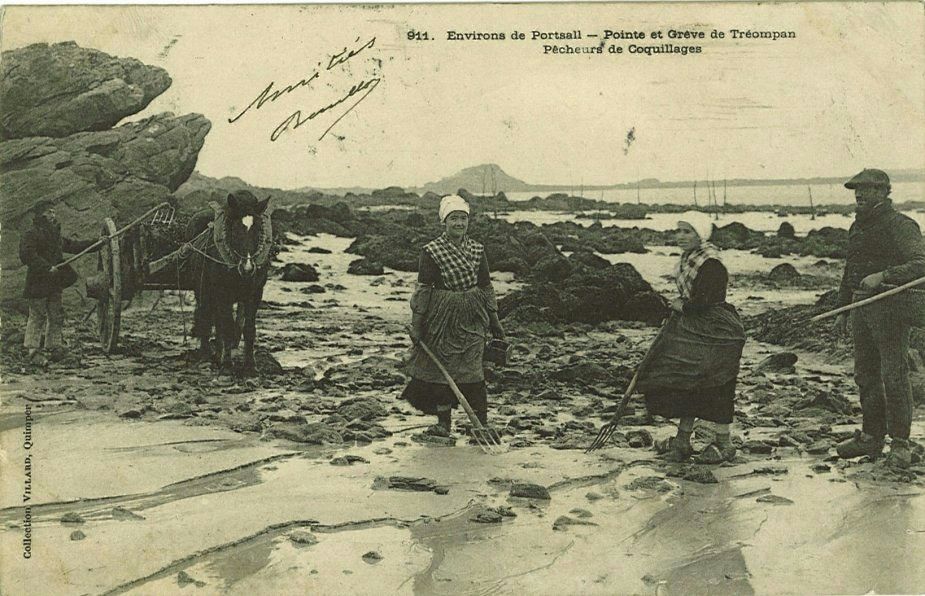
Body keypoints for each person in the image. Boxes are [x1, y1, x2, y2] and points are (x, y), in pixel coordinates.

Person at [636, 213, 746, 463]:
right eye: (679, 231)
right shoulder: (689, 260)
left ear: (701, 235)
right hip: (694, 327)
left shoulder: (711, 263)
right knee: (688, 380)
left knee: (717, 381)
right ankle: (683, 439)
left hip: (718, 331)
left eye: (687, 232)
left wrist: (681, 307)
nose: (680, 236)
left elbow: (706, 301)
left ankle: (724, 442)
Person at [833, 168, 925, 470]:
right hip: (862, 308)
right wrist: (843, 310)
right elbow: (850, 271)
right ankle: (872, 436)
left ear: (884, 191)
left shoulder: (901, 225)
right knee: (865, 374)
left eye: (867, 189)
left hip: (892, 308)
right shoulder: (856, 227)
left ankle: (900, 444)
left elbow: (921, 264)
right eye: (856, 189)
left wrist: (884, 276)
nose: (859, 194)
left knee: (893, 375)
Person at [401, 195, 505, 433]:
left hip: (473, 315)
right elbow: (424, 290)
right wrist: (417, 325)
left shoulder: (478, 250)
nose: (459, 223)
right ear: (444, 222)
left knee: (474, 370)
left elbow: (486, 286)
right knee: (441, 372)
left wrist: (494, 320)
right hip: (441, 317)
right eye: (454, 219)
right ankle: (443, 424)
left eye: (463, 219)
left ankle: (481, 425)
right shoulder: (431, 251)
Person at [18, 200, 97, 364]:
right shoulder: (32, 233)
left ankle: (54, 347)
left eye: (54, 212)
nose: (53, 215)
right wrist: (47, 267)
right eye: (49, 212)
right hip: (38, 282)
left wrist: (96, 243)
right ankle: (32, 350)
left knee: (56, 315)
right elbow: (27, 255)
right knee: (37, 315)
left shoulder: (55, 235)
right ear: (41, 215)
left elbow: (73, 246)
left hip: (54, 282)